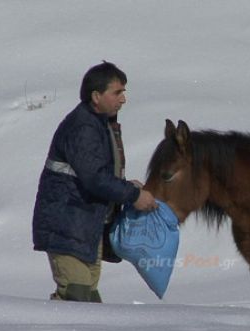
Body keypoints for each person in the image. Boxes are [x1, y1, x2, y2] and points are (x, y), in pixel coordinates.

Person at [32, 61, 157, 302]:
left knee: (89, 301)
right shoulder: (83, 127)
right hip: (67, 226)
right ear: (96, 96)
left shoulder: (100, 124)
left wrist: (127, 186)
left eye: (124, 92)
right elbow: (95, 178)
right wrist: (133, 196)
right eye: (117, 92)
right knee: (76, 298)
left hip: (85, 228)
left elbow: (96, 173)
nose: (123, 99)